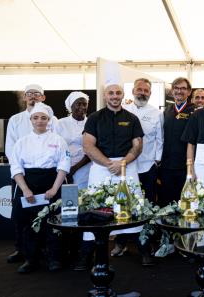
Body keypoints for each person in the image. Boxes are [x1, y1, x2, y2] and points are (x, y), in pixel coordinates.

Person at [82, 81, 152, 265]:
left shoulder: (132, 118)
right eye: (110, 93)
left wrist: (122, 163)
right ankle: (88, 254)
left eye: (118, 93)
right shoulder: (94, 118)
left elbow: (138, 146)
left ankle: (144, 251)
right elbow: (88, 146)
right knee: (95, 209)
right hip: (100, 168)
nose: (114, 96)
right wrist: (107, 163)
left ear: (122, 95)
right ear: (105, 96)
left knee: (134, 208)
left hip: (127, 167)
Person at [9, 102, 70, 273]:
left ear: (49, 120)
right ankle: (31, 259)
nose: (39, 121)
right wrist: (26, 189)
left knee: (53, 222)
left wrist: (54, 189)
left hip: (52, 183)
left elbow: (64, 166)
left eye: (43, 118)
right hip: (28, 185)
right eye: (36, 117)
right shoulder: (22, 142)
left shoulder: (58, 140)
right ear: (31, 119)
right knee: (29, 224)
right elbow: (16, 168)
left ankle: (54, 258)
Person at [5, 84, 58, 264]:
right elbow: (10, 149)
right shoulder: (16, 119)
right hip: (23, 176)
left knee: (47, 214)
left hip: (46, 175)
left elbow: (57, 144)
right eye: (29, 94)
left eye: (37, 94)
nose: (33, 96)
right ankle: (21, 250)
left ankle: (45, 250)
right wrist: (21, 176)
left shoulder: (53, 120)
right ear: (24, 97)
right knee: (22, 217)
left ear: (43, 98)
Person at [123, 78, 164, 202]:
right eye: (139, 89)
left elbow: (160, 138)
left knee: (148, 199)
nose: (142, 93)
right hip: (127, 164)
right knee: (128, 198)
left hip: (148, 164)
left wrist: (157, 160)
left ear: (150, 94)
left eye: (146, 90)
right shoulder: (123, 110)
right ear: (133, 91)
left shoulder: (157, 113)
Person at [159, 77, 197, 207]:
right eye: (176, 88)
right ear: (172, 91)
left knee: (186, 203)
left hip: (185, 166)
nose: (179, 91)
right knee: (167, 202)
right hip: (167, 165)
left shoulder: (195, 111)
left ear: (189, 91)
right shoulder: (167, 111)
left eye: (183, 88)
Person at [55, 92, 91, 189]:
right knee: (65, 199)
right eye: (78, 104)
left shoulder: (91, 123)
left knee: (83, 197)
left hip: (85, 166)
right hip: (63, 167)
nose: (82, 107)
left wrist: (74, 168)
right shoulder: (60, 123)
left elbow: (93, 149)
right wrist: (65, 168)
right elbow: (55, 147)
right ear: (71, 106)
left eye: (84, 104)